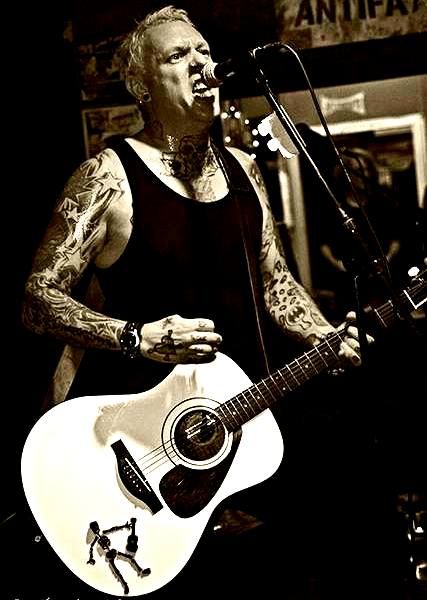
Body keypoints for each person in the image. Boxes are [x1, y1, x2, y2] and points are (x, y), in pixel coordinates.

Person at [20, 6, 371, 598]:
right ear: (142, 86)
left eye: (204, 51)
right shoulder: (108, 177)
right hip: (138, 443)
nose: (201, 63)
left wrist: (322, 335)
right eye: (177, 56)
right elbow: (38, 298)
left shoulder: (243, 170)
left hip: (235, 429)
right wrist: (137, 337)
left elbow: (275, 282)